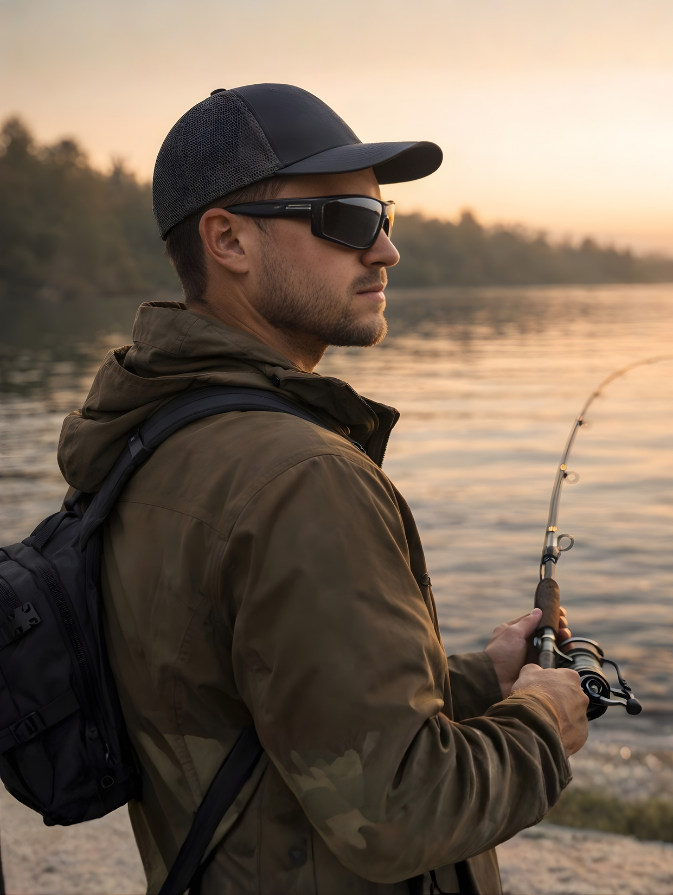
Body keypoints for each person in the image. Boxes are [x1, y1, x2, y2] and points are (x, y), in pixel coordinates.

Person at [57, 83, 589, 895]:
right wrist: (546, 718)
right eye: (346, 220)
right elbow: (401, 809)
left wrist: (483, 679)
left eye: (385, 220)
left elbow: (244, 705)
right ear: (228, 240)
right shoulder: (303, 479)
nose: (384, 251)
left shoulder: (147, 440)